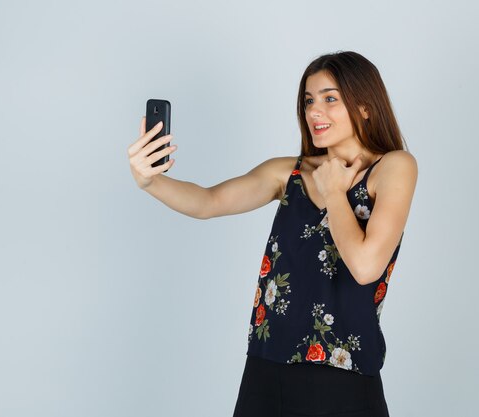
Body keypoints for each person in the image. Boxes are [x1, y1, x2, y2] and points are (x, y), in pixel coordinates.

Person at [127, 51, 417, 417]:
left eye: (330, 98)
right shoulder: (288, 173)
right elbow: (207, 201)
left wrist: (333, 193)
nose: (314, 111)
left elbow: (364, 266)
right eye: (309, 100)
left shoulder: (394, 167)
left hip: (344, 376)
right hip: (267, 369)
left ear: (364, 106)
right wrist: (150, 181)